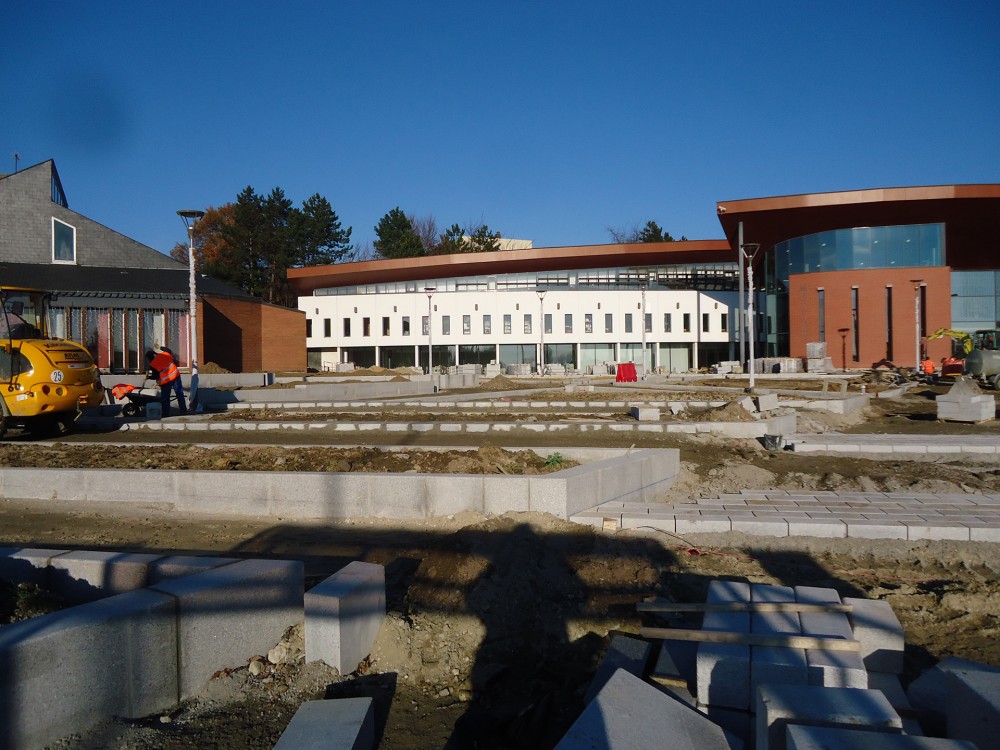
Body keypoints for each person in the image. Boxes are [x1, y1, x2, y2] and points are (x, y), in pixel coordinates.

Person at [145, 347, 187, 417]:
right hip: (175, 376)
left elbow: (156, 376)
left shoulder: (153, 364)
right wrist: (160, 347)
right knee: (179, 394)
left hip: (166, 382)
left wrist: (148, 377)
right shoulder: (165, 354)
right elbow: (168, 350)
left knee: (165, 398)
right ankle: (183, 411)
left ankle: (166, 414)